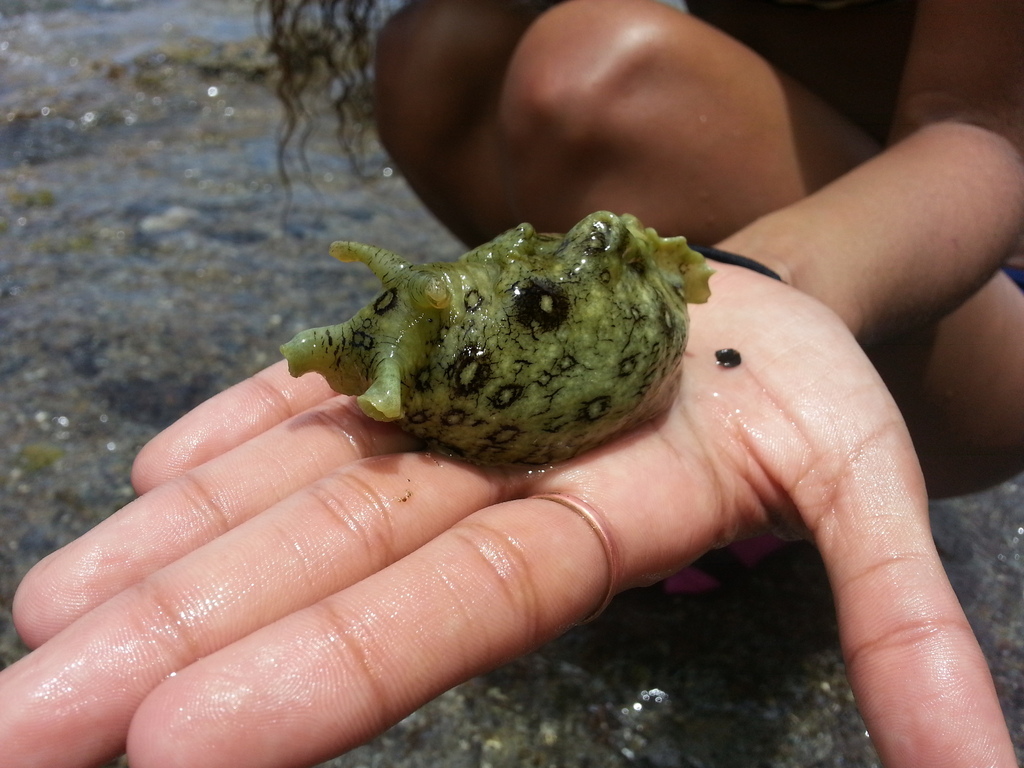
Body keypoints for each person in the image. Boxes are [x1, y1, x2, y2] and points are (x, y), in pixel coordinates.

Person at [0, 1, 1021, 766]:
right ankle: (679, 504)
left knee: (597, 69)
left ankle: (733, 486)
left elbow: (983, 133)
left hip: (967, 288)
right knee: (436, 45)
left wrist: (763, 275)